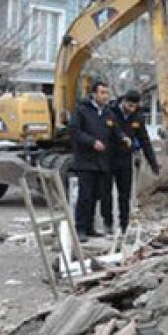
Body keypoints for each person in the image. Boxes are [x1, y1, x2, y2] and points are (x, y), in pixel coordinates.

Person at [68, 81, 128, 241]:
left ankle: (90, 227)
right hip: (85, 161)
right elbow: (74, 131)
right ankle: (80, 228)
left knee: (96, 196)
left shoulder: (108, 113)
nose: (105, 96)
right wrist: (91, 142)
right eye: (102, 93)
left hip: (101, 162)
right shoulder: (82, 110)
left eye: (106, 93)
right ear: (94, 94)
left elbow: (115, 130)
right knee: (85, 196)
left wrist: (124, 138)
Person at [108, 89, 159, 234]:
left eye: (134, 106)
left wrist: (153, 162)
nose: (132, 109)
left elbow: (144, 140)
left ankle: (124, 225)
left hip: (125, 159)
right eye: (129, 105)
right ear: (123, 101)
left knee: (125, 194)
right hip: (109, 157)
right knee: (105, 193)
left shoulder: (137, 117)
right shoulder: (111, 112)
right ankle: (108, 224)